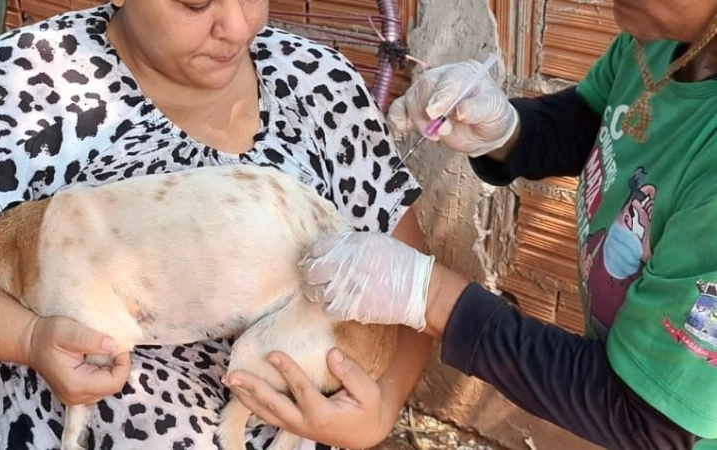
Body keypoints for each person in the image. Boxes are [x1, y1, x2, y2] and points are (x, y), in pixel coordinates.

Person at [0, 0, 433, 448]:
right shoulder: (29, 77)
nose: (238, 25)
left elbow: (418, 292)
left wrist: (379, 413)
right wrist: (27, 338)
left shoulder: (320, 85)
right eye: (194, 2)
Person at [223, 1, 717, 448]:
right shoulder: (658, 37)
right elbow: (597, 118)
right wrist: (508, 132)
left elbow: (647, 420)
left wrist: (428, 295)